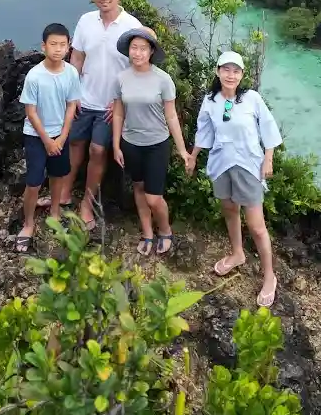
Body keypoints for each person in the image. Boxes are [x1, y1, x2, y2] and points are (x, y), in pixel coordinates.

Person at [188, 50, 282, 308]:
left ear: (242, 74)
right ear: (218, 72)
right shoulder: (211, 100)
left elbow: (268, 126)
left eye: (236, 70)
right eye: (226, 69)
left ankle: (269, 276)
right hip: (221, 163)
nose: (231, 75)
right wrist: (193, 156)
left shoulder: (251, 98)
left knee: (256, 224)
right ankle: (238, 253)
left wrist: (268, 158)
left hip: (248, 164)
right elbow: (204, 131)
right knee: (229, 209)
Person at [67, 0, 141, 229]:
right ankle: (64, 193)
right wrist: (71, 92)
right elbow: (76, 58)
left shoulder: (132, 26)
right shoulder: (86, 21)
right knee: (74, 142)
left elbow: (138, 68)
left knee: (98, 150)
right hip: (84, 96)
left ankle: (86, 204)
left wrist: (121, 100)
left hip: (112, 105)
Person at [111, 27, 193, 256]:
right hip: (130, 142)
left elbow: (172, 116)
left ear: (151, 52)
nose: (137, 53)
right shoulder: (121, 78)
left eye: (143, 49)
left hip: (157, 143)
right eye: (134, 48)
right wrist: (116, 144)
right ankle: (147, 233)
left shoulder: (163, 80)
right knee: (138, 187)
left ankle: (165, 230)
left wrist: (181, 150)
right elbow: (118, 113)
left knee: (153, 197)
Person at [16, 23, 81, 253]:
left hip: (60, 135)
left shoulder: (71, 73)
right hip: (36, 136)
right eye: (53, 44)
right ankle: (28, 223)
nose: (58, 49)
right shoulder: (35, 76)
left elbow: (72, 104)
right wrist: (47, 140)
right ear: (44, 46)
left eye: (63, 45)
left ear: (69, 46)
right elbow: (30, 112)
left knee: (57, 175)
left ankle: (54, 213)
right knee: (33, 182)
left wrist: (62, 137)